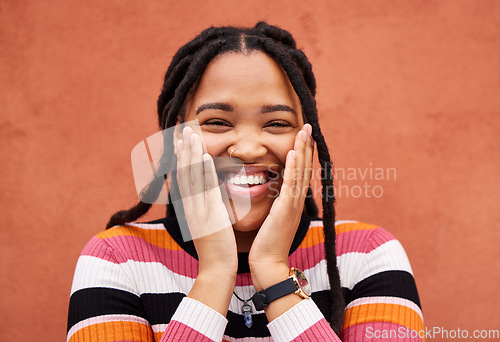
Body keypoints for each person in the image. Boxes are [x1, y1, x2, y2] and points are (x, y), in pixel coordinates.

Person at [67, 22, 424, 342]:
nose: (249, 149)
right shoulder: (116, 260)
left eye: (277, 123)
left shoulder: (366, 256)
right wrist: (215, 273)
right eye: (217, 122)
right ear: (178, 136)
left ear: (308, 136)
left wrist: (273, 271)